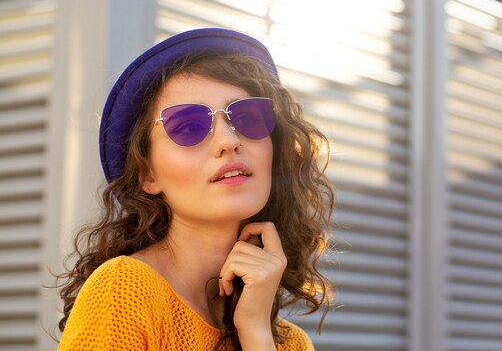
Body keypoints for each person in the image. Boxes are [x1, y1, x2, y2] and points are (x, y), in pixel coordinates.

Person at [56, 28, 335, 351]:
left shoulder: (290, 344)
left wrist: (256, 331)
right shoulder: (124, 291)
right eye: (188, 126)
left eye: (248, 117)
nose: (229, 141)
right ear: (148, 173)